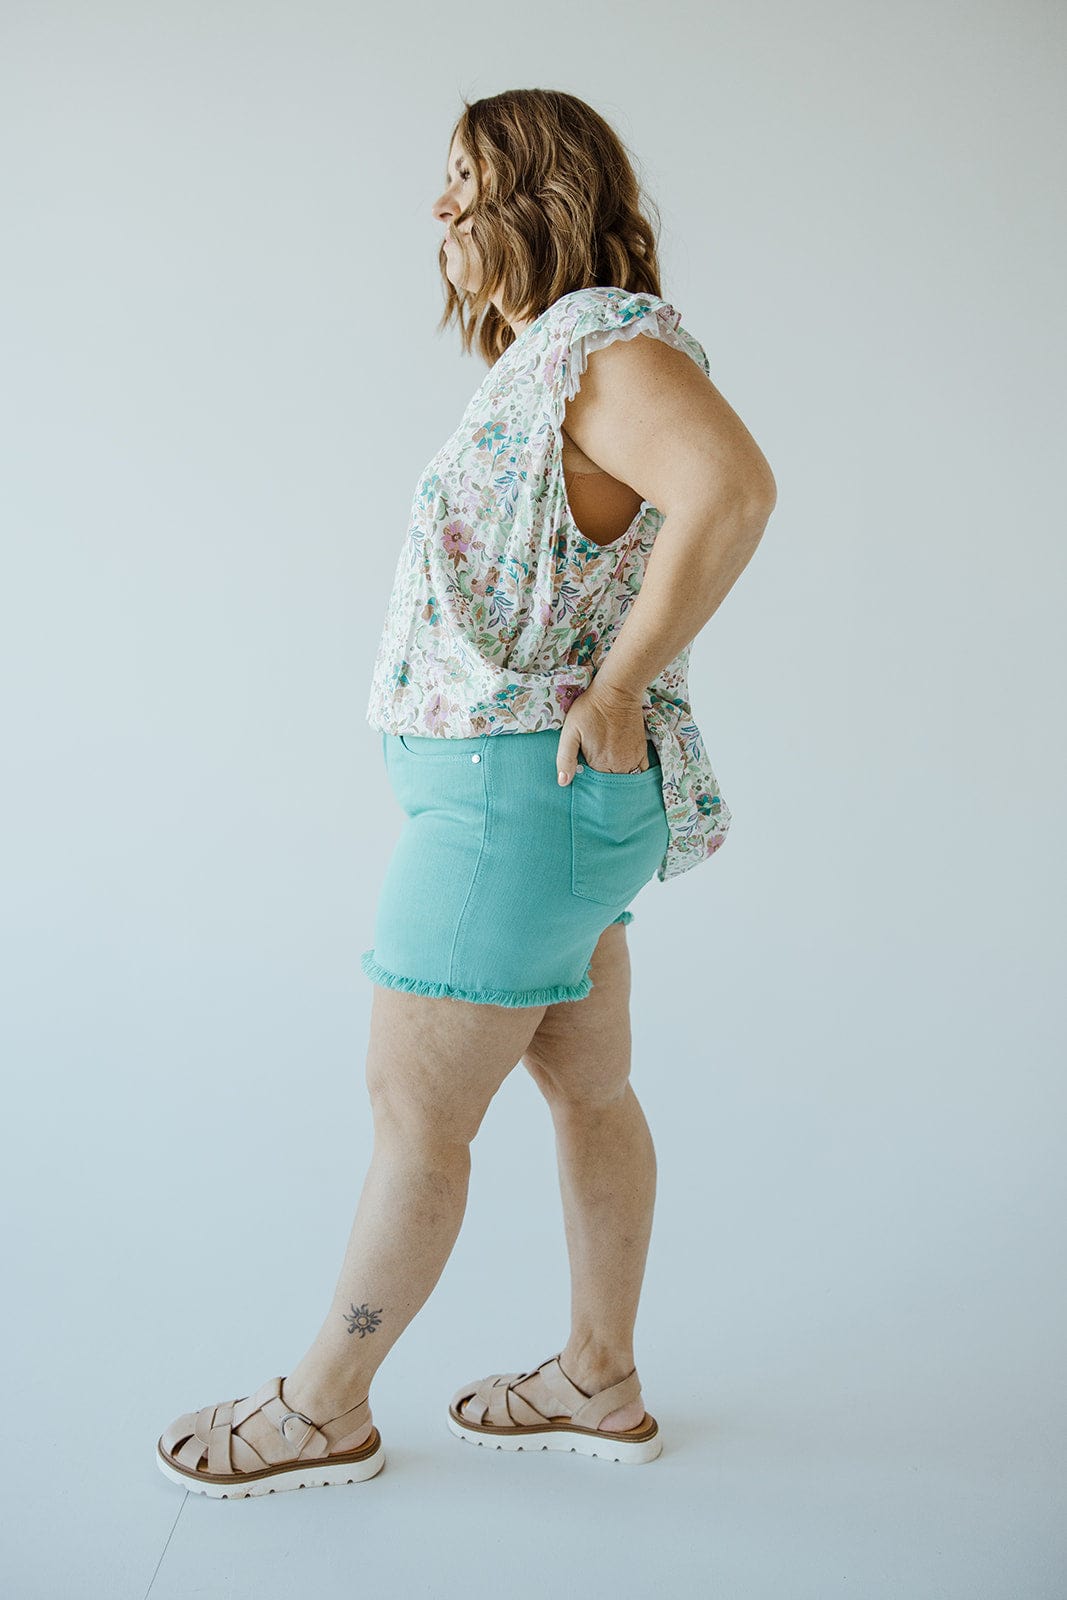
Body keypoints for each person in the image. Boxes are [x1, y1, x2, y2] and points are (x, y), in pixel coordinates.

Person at [156, 88, 777, 1498]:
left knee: (413, 1115)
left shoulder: (603, 348)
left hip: (515, 811)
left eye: (466, 182)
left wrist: (616, 689)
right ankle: (599, 1380)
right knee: (588, 1089)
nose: (438, 211)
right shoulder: (562, 361)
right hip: (549, 819)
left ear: (541, 197)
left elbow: (733, 487)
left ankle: (321, 1410)